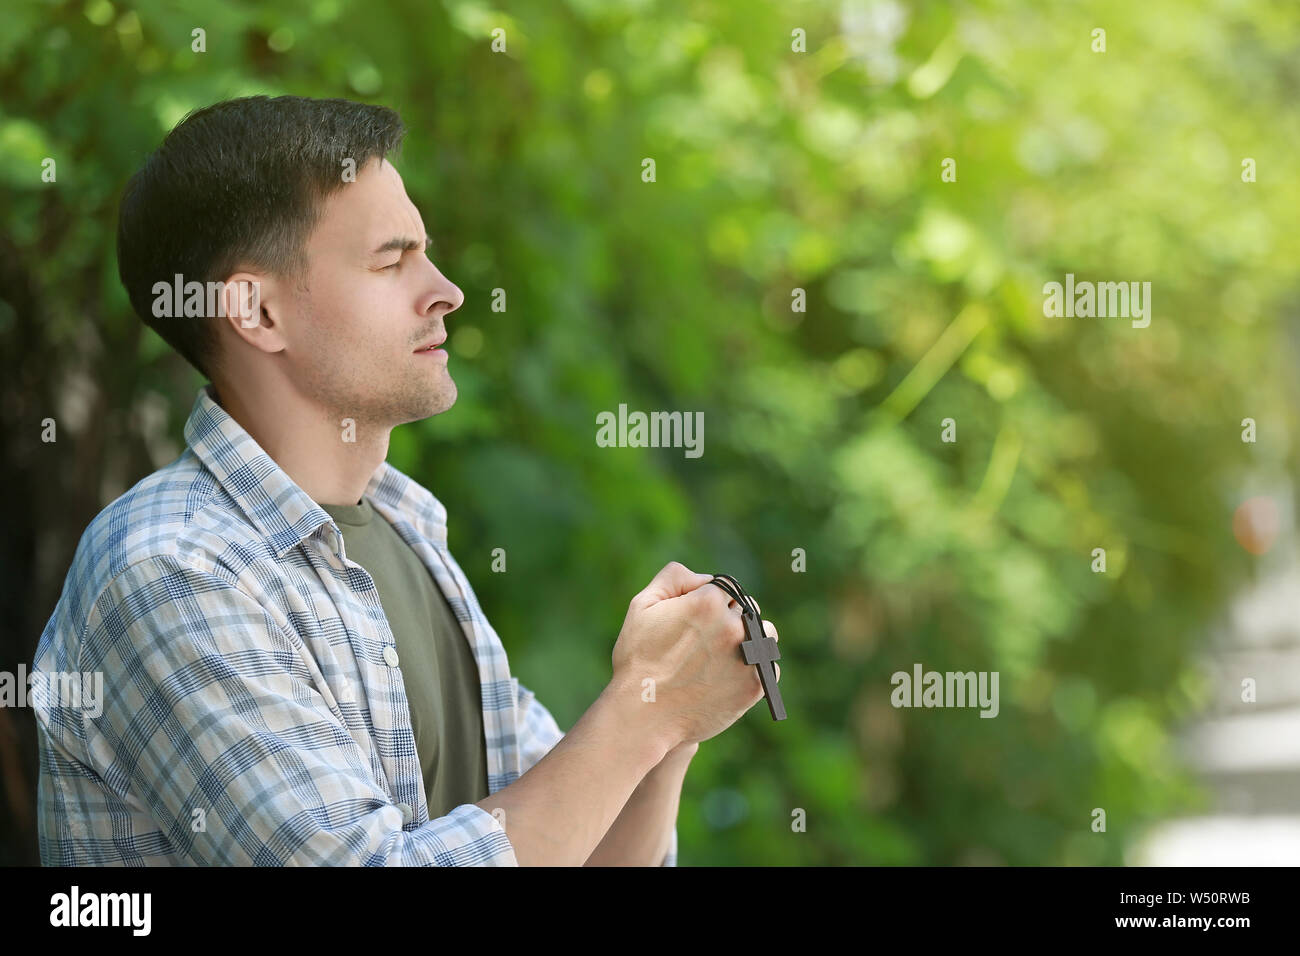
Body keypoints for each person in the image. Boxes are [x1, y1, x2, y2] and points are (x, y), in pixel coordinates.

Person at [31, 94, 779, 866]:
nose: (446, 291)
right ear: (256, 312)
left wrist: (670, 722)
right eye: (392, 261)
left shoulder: (405, 528)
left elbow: (572, 851)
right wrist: (637, 715)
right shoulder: (173, 569)